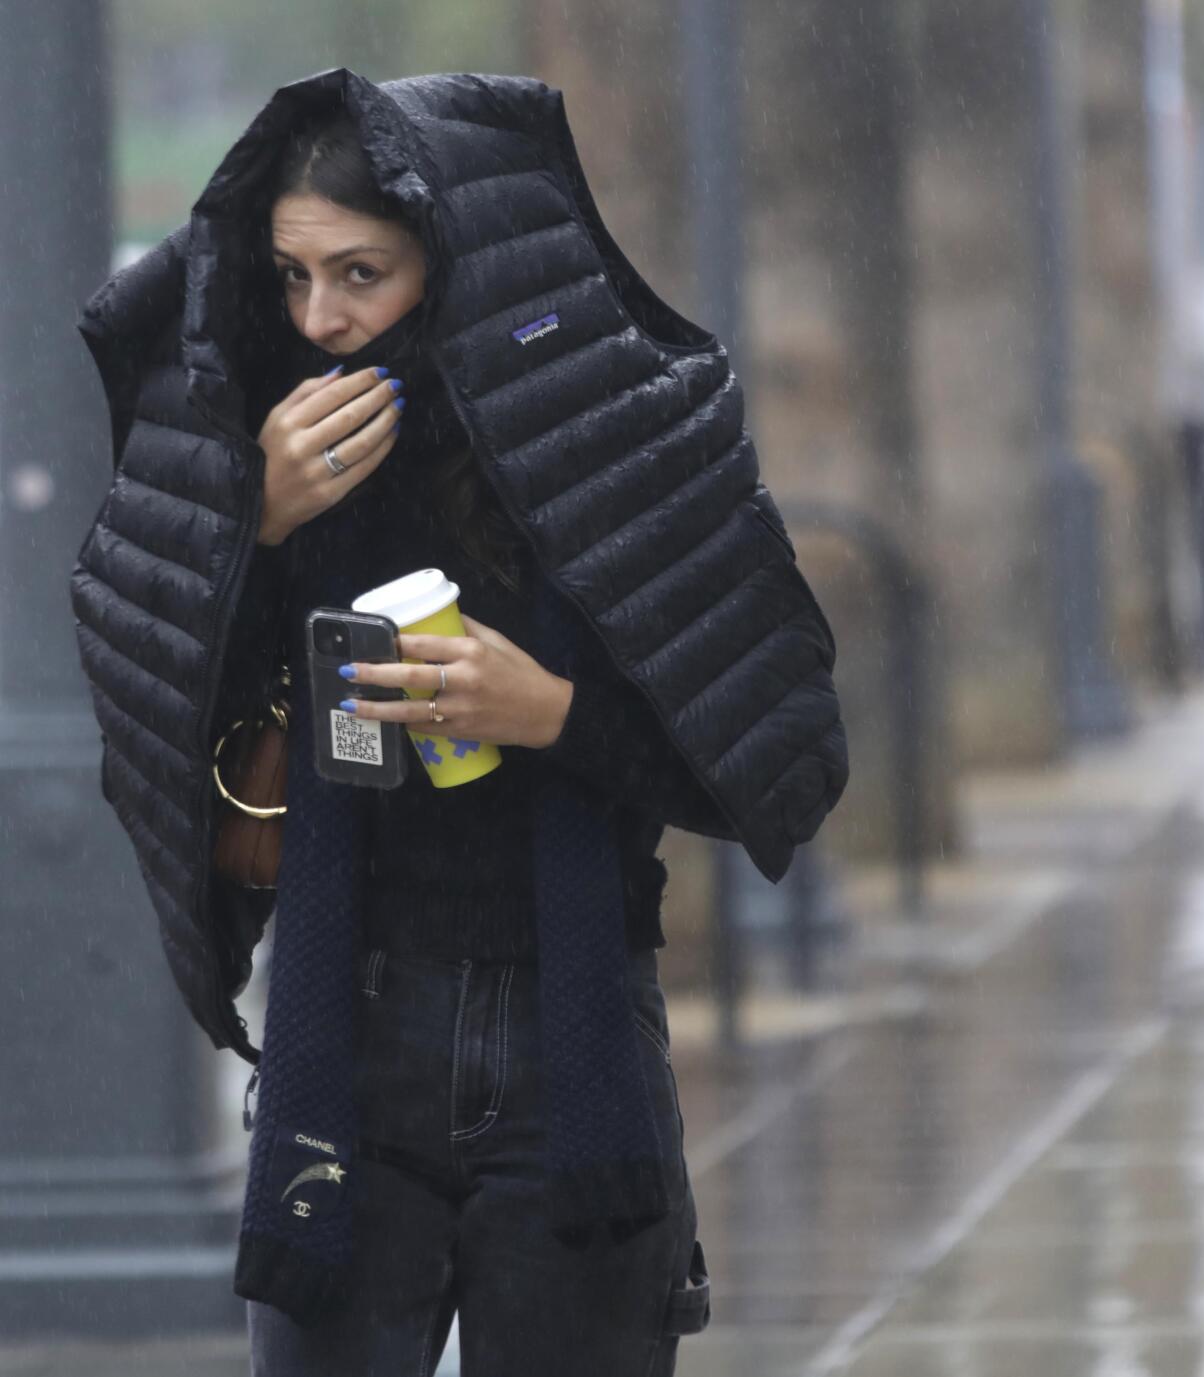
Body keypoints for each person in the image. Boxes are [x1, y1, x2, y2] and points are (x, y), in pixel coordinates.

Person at [71, 71, 847, 1374]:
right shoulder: (257, 440)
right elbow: (152, 697)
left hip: (577, 1030)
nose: (323, 318)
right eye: (292, 276)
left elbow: (776, 761)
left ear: (449, 254)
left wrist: (546, 711)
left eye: (362, 273)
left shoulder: (612, 431)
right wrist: (250, 529)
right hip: (349, 1024)